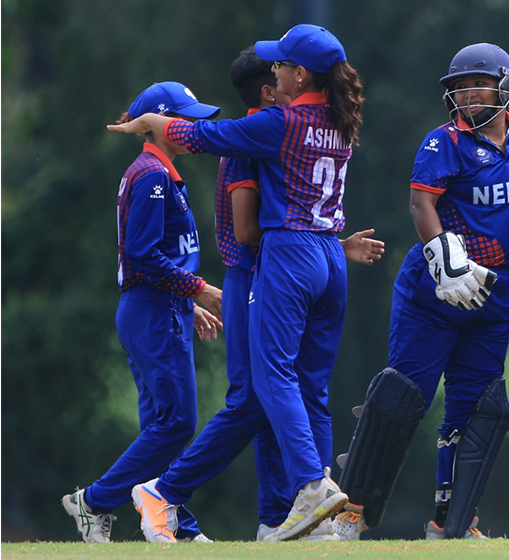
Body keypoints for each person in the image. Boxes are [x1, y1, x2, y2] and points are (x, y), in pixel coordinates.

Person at [108, 23, 366, 541]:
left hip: (289, 252)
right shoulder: (343, 121)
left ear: (298, 74)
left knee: (270, 380)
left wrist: (155, 122)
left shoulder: (280, 122)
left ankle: (309, 489)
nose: (276, 72)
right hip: (329, 254)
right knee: (308, 386)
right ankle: (304, 508)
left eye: (282, 65)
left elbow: (203, 136)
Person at [332, 42, 509, 541]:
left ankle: (452, 523)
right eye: (459, 86)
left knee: (478, 410)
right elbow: (421, 205)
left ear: (505, 86)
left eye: (477, 84)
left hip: (492, 289)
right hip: (436, 285)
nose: (467, 95)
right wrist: (446, 260)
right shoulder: (443, 141)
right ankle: (348, 513)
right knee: (403, 397)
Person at [62, 81, 223, 543]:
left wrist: (185, 302)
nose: (192, 127)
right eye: (184, 118)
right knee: (177, 423)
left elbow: (158, 256)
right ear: (159, 123)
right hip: (152, 308)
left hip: (157, 306)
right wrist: (197, 290)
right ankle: (92, 502)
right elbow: (144, 255)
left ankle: (178, 524)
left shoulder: (159, 171)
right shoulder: (152, 174)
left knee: (162, 426)